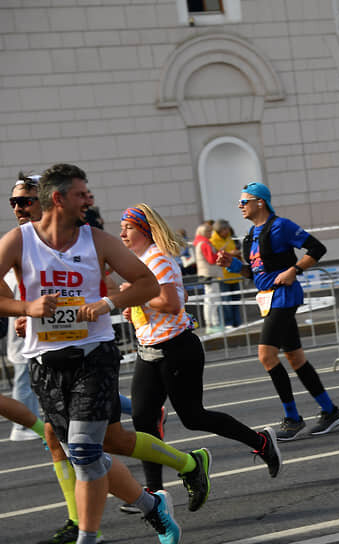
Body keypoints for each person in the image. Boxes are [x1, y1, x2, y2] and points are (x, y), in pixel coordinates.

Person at [0, 163, 192, 544]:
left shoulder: (99, 240)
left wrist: (109, 301)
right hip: (44, 362)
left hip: (93, 356)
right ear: (57, 199)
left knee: (87, 451)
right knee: (88, 452)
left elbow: (146, 282)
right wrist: (28, 309)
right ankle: (152, 506)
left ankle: (88, 536)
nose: (89, 199)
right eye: (81, 194)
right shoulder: (18, 241)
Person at [118, 204, 281, 501]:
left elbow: (171, 304)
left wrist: (139, 298)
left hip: (176, 349)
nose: (121, 233)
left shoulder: (158, 259)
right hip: (148, 350)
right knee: (143, 420)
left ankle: (261, 442)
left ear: (144, 229)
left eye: (127, 227)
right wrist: (136, 311)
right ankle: (155, 493)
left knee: (193, 417)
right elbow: (177, 297)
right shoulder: (139, 260)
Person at [217, 182, 339, 441]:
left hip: (284, 297)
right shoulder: (250, 236)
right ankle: (330, 411)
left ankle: (293, 418)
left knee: (266, 355)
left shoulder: (281, 226)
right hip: (267, 299)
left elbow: (317, 248)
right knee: (296, 358)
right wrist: (232, 265)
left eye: (245, 201)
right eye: (240, 202)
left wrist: (294, 270)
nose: (240, 206)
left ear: (260, 202)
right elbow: (252, 274)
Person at [6, 173, 42, 441]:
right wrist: (23, 310)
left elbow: (107, 285)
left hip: (75, 345)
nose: (18, 207)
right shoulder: (15, 241)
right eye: (14, 202)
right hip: (30, 337)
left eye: (26, 201)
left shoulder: (81, 239)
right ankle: (33, 428)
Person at [210, 220, 243, 328]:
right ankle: (228, 322)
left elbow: (237, 248)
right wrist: (231, 253)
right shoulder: (212, 241)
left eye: (228, 229)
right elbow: (214, 257)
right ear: (219, 230)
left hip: (235, 274)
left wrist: (237, 253)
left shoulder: (231, 238)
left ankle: (237, 322)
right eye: (225, 229)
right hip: (223, 275)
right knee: (226, 301)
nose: (227, 231)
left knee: (236, 300)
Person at [193, 223, 222, 333]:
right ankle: (212, 323)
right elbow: (211, 259)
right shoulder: (205, 243)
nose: (211, 233)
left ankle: (213, 323)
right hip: (209, 274)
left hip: (207, 274)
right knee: (212, 300)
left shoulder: (200, 243)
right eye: (209, 232)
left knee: (211, 299)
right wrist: (219, 254)